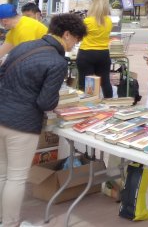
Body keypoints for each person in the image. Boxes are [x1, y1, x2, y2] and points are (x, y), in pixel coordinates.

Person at [0, 13, 85, 227]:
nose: (75, 45)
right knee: (16, 178)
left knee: (1, 174)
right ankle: (10, 223)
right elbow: (46, 103)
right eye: (76, 39)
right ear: (67, 34)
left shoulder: (23, 46)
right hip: (22, 124)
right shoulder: (57, 62)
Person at [76, 0, 114, 99]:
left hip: (86, 53)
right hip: (103, 54)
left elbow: (79, 35)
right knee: (105, 81)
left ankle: (86, 104)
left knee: (84, 82)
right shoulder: (109, 21)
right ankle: (109, 103)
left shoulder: (87, 21)